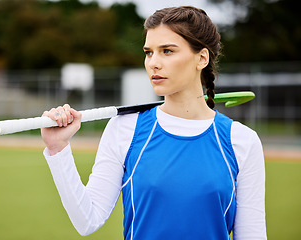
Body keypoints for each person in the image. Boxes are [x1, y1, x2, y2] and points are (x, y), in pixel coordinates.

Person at [41, 6, 267, 240]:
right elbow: (88, 220)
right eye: (149, 52)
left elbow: (252, 235)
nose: (153, 63)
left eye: (167, 51)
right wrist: (58, 149)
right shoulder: (125, 129)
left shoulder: (242, 141)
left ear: (201, 58)